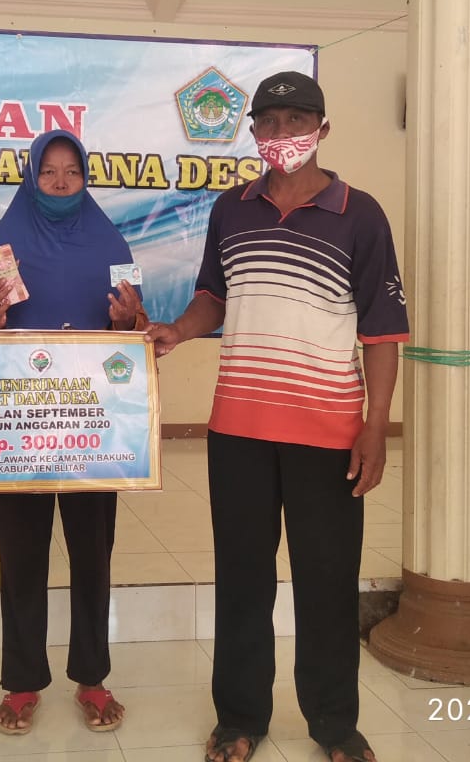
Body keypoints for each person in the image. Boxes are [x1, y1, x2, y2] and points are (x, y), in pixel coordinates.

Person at [147, 72, 408, 762]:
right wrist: (179, 330)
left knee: (327, 583)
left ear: (322, 129)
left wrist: (377, 424)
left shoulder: (360, 215)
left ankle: (334, 725)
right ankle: (239, 719)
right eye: (269, 121)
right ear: (254, 131)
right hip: (238, 430)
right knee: (242, 582)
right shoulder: (231, 209)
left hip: (328, 433)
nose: (283, 134)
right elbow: (214, 294)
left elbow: (383, 330)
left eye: (297, 120)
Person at [0, 129, 146, 736]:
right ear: (32, 176)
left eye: (72, 172)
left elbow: (135, 328)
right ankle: (21, 683)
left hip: (92, 423)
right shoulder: (2, 248)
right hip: (20, 424)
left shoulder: (112, 244)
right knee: (21, 555)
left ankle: (92, 678)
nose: (61, 182)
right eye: (49, 172)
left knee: (93, 553)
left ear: (85, 178)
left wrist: (128, 321)